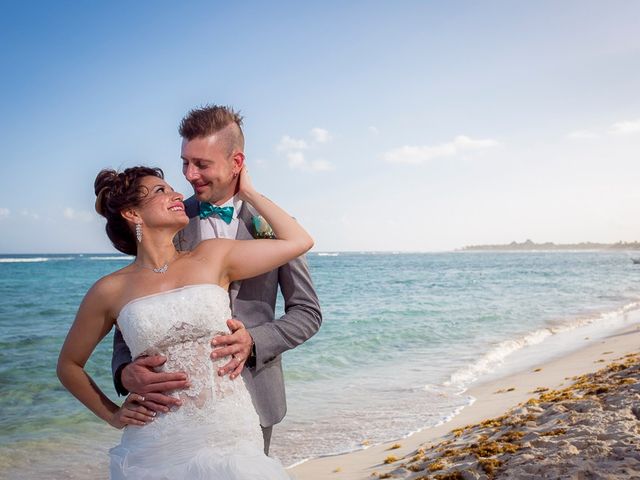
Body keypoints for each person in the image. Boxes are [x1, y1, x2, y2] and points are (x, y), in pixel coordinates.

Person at [57, 164, 313, 479]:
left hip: (230, 432)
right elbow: (69, 365)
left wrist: (248, 193)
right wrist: (112, 414)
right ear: (132, 214)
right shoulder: (109, 290)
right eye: (160, 190)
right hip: (157, 443)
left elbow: (299, 240)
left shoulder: (213, 256)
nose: (178, 193)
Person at [111, 105, 322, 454]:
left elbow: (308, 313)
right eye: (185, 162)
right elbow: (130, 314)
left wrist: (254, 341)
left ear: (236, 163)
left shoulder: (279, 228)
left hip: (253, 399)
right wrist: (123, 372)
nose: (190, 175)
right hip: (176, 410)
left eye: (202, 164)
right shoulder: (166, 222)